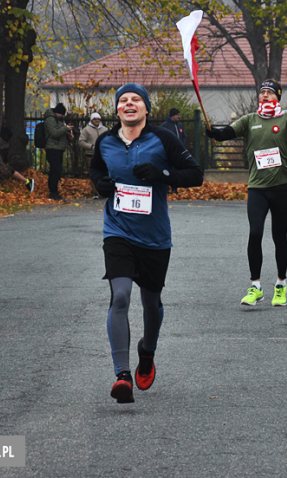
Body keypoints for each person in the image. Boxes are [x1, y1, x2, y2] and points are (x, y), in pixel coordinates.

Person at [89, 83, 203, 404]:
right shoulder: (106, 141)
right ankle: (122, 375)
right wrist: (100, 184)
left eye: (135, 100)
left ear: (146, 108)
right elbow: (96, 168)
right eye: (123, 100)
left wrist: (161, 172)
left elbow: (195, 174)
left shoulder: (163, 138)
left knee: (151, 303)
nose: (129, 104)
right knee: (121, 296)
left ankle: (147, 352)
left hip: (154, 237)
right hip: (118, 232)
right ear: (116, 109)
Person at [206, 79, 287, 307]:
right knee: (255, 233)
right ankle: (256, 287)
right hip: (257, 189)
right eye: (262, 93)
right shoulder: (250, 120)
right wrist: (213, 132)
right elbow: (226, 134)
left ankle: (280, 285)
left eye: (270, 92)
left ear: (278, 96)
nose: (265, 96)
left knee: (279, 238)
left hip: (282, 189)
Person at [43, 102, 74, 200]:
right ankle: (53, 192)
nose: (63, 116)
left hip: (59, 148)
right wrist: (65, 128)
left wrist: (68, 136)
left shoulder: (59, 120)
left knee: (57, 171)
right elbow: (54, 133)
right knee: (54, 170)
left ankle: (55, 191)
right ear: (58, 113)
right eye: (62, 114)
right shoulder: (50, 119)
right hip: (52, 148)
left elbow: (60, 133)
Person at [0, 121, 34, 193]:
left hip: (2, 149)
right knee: (6, 169)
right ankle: (26, 181)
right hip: (2, 148)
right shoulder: (2, 125)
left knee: (7, 169)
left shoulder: (2, 127)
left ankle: (27, 181)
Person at [79, 112, 107, 198]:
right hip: (91, 154)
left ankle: (104, 192)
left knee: (104, 173)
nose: (97, 120)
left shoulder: (104, 129)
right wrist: (91, 147)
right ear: (91, 120)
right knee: (93, 173)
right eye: (95, 119)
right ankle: (95, 192)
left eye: (98, 119)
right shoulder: (86, 130)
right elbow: (81, 141)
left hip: (103, 155)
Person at [160, 108, 187, 194]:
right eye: (177, 115)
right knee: (168, 170)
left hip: (178, 152)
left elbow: (183, 137)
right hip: (169, 152)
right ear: (173, 116)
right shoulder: (165, 126)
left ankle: (175, 188)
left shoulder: (180, 126)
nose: (179, 116)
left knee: (176, 171)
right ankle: (166, 188)